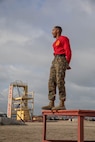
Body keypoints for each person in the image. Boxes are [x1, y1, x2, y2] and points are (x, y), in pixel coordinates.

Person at [42, 26, 72, 110]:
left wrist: (67, 62)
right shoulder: (54, 43)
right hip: (55, 60)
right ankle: (51, 102)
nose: (52, 32)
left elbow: (68, 51)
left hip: (61, 59)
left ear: (58, 31)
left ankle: (62, 103)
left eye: (53, 30)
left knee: (60, 80)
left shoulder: (63, 38)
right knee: (51, 80)